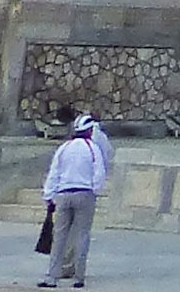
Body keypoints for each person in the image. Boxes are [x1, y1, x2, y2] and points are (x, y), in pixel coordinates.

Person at [36, 112, 109, 288]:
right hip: (84, 193)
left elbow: (54, 173)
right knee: (82, 236)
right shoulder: (92, 148)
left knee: (59, 237)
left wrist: (49, 195)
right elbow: (99, 173)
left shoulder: (64, 148)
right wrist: (95, 190)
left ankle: (51, 276)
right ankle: (79, 277)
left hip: (63, 194)